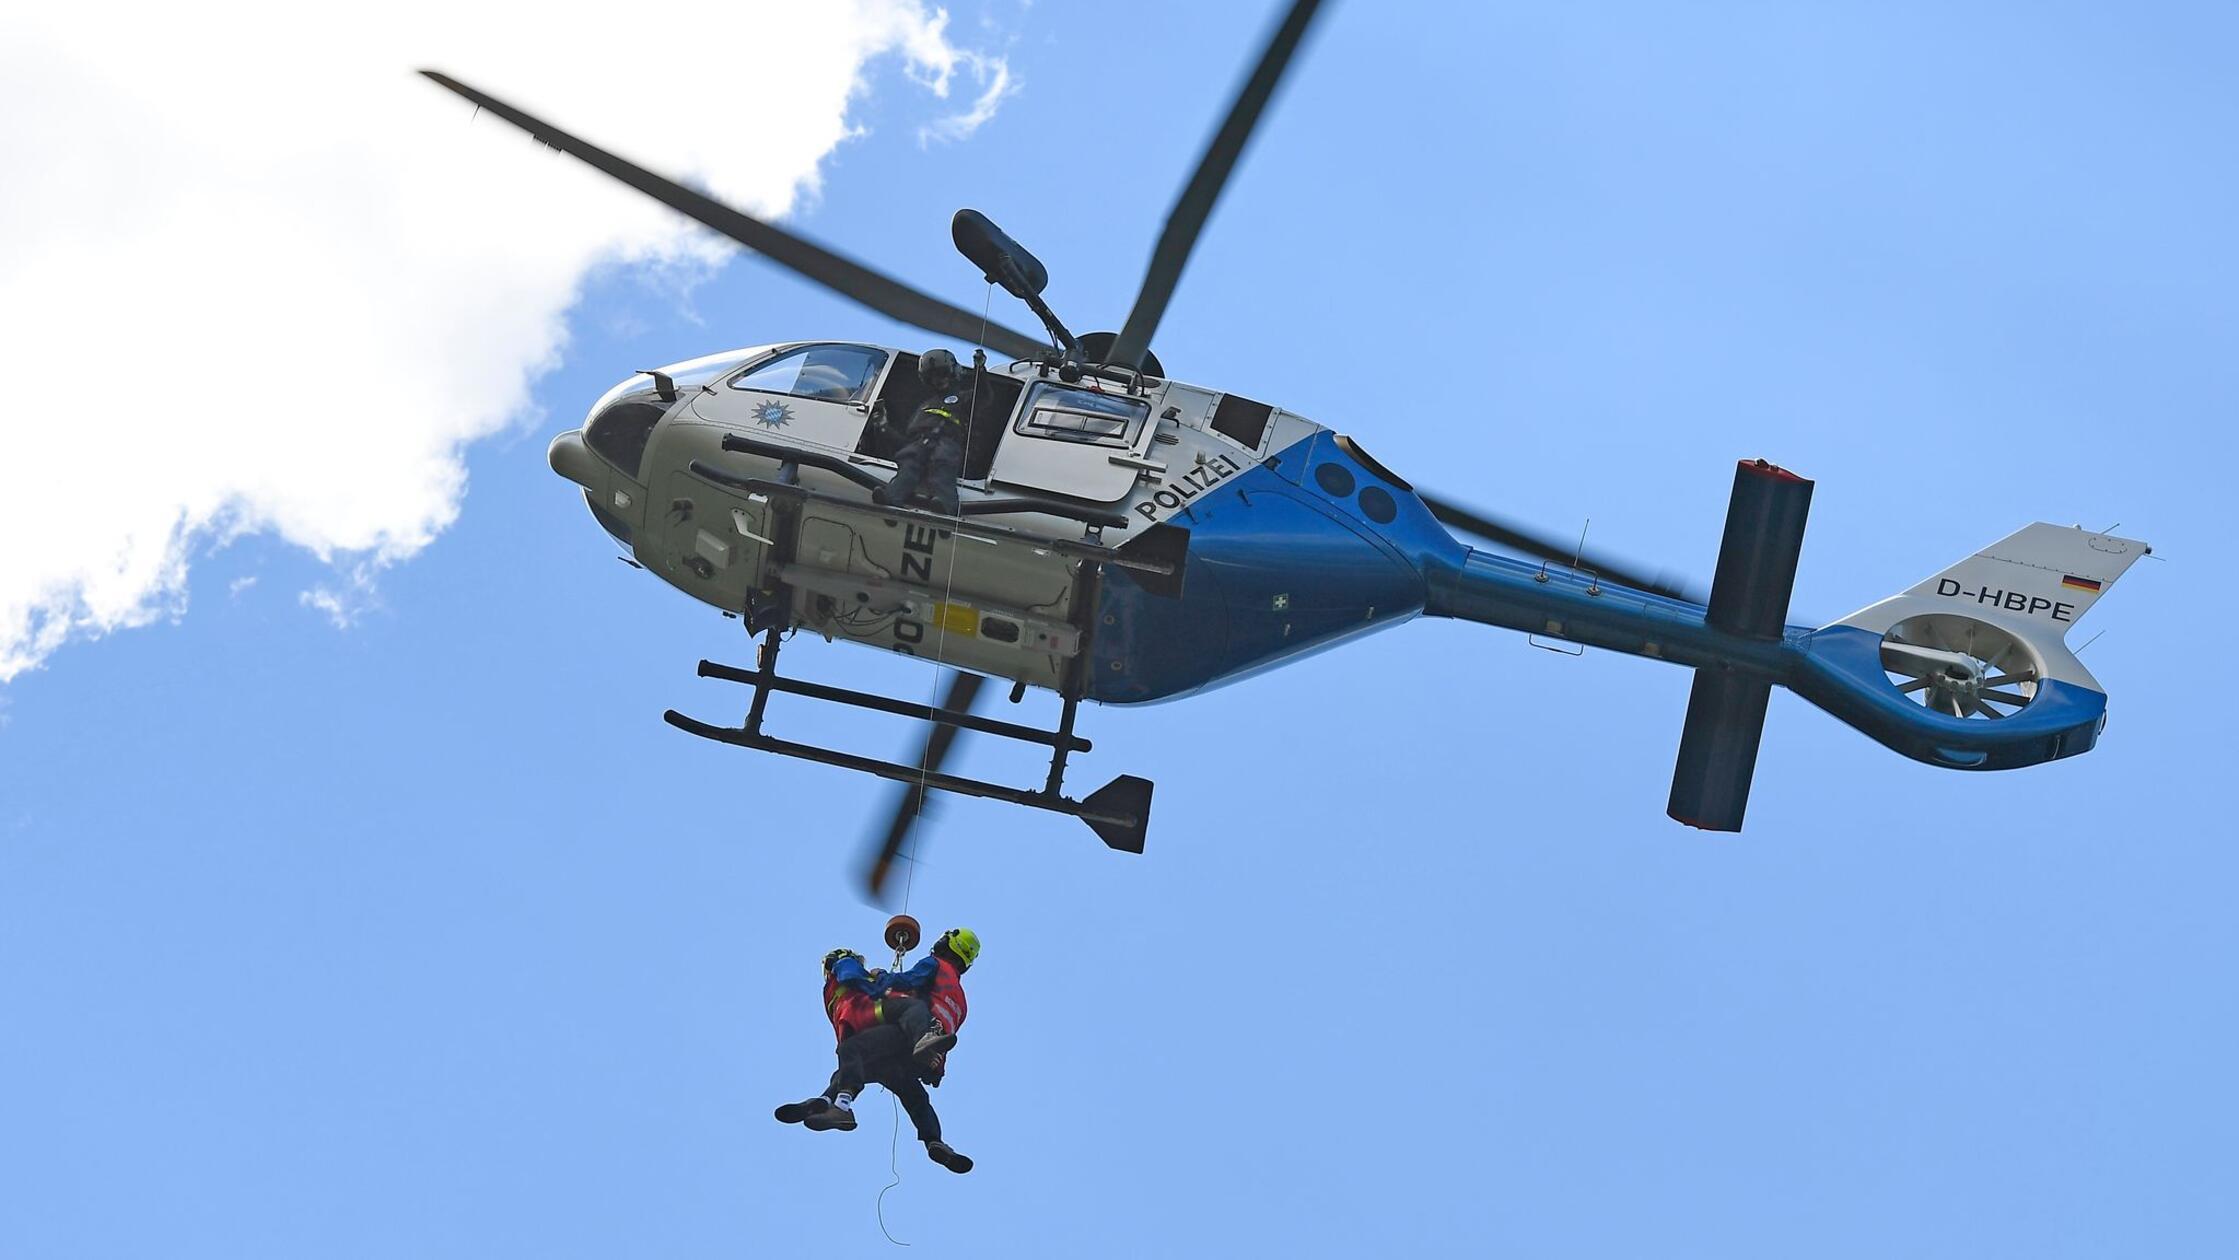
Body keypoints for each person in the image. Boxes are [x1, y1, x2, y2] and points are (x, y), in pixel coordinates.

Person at [872, 348, 976, 516]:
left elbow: (985, 396)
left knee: (943, 467)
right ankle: (892, 496)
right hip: (920, 444)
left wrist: (980, 370)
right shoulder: (925, 407)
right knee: (908, 466)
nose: (938, 380)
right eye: (933, 377)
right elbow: (906, 442)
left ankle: (946, 504)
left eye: (942, 374)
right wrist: (884, 427)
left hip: (947, 443)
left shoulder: (964, 398)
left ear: (952, 374)